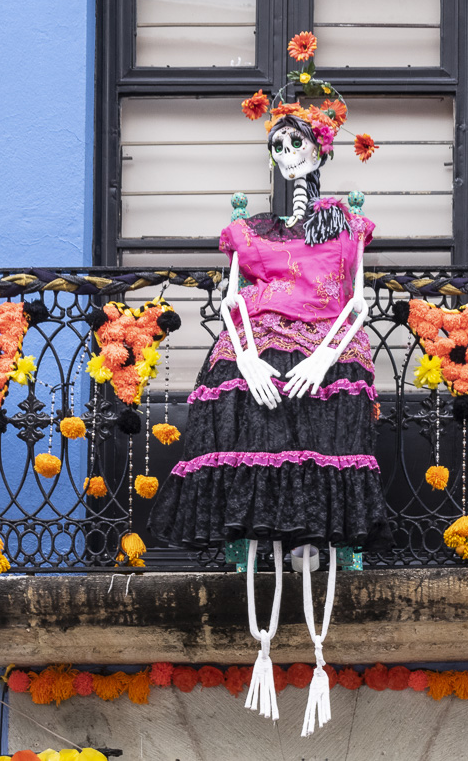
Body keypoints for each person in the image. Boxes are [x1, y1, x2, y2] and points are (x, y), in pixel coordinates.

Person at [150, 40, 388, 735]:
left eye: (296, 145)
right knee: (259, 470)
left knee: (313, 472)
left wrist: (323, 360)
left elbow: (358, 304)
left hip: (321, 351)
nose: (286, 158)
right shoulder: (250, 230)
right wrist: (248, 360)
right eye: (277, 147)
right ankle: (264, 642)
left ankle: (314, 648)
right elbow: (228, 302)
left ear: (318, 151)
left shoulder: (344, 225)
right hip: (253, 351)